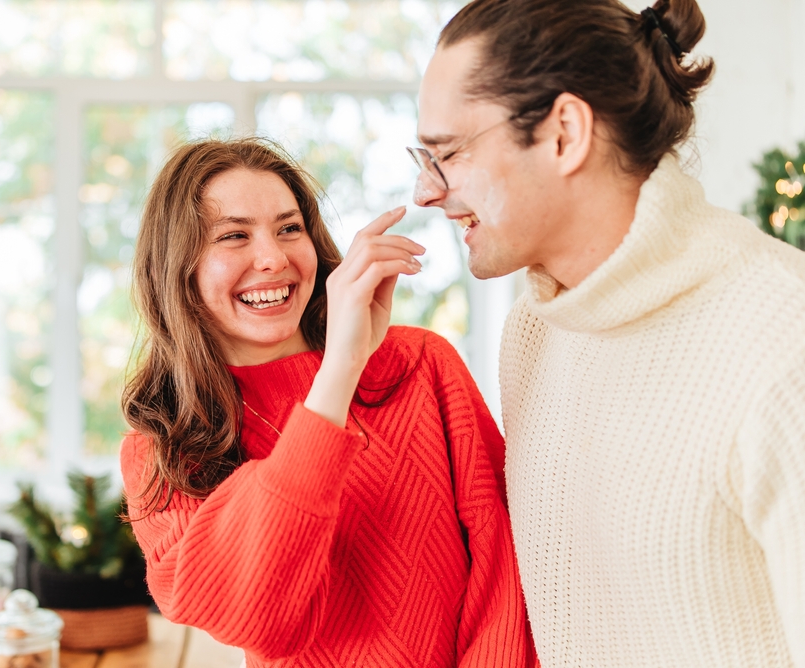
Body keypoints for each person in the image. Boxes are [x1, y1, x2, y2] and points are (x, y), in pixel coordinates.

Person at [411, 0, 805, 666]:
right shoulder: (535, 333)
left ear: (564, 133)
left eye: (448, 153)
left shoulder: (778, 335)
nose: (426, 191)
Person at [119, 138, 535, 667]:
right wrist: (339, 368)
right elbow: (258, 618)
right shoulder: (163, 450)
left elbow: (504, 569)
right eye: (233, 235)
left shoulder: (419, 364)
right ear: (178, 267)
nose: (272, 258)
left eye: (289, 228)